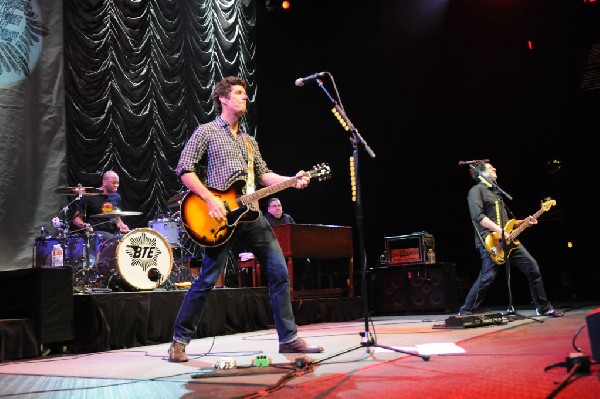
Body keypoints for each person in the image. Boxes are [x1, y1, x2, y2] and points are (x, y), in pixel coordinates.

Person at [168, 76, 323, 362]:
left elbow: (264, 176)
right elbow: (184, 169)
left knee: (279, 272)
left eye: (245, 93)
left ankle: (288, 339)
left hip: (252, 216)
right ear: (223, 99)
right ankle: (178, 341)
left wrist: (292, 179)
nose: (244, 98)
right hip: (221, 219)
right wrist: (210, 199)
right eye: (239, 93)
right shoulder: (207, 132)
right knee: (206, 280)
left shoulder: (250, 142)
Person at [458, 161, 564, 317]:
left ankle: (543, 307)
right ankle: (466, 311)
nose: (494, 168)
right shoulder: (476, 191)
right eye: (490, 167)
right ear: (481, 173)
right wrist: (500, 231)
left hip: (508, 240)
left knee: (532, 268)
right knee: (488, 276)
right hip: (490, 240)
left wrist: (524, 222)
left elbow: (509, 223)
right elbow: (478, 217)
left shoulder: (497, 194)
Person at [71, 171, 131, 266]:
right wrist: (85, 226)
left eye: (117, 183)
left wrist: (122, 226)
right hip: (97, 234)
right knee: (113, 242)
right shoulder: (89, 197)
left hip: (113, 233)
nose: (116, 185)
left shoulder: (116, 197)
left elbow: (116, 218)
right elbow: (76, 219)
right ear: (104, 182)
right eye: (113, 182)